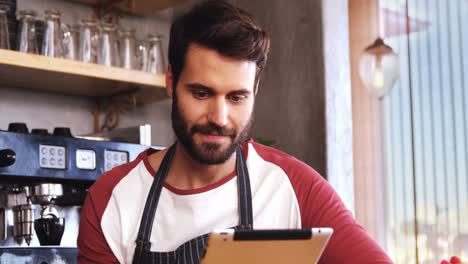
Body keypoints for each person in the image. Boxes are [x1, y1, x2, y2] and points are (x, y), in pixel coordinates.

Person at [77, 1, 392, 263]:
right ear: (171, 82)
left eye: (236, 97)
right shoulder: (113, 200)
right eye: (201, 93)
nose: (219, 117)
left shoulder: (295, 189)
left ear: (254, 90)